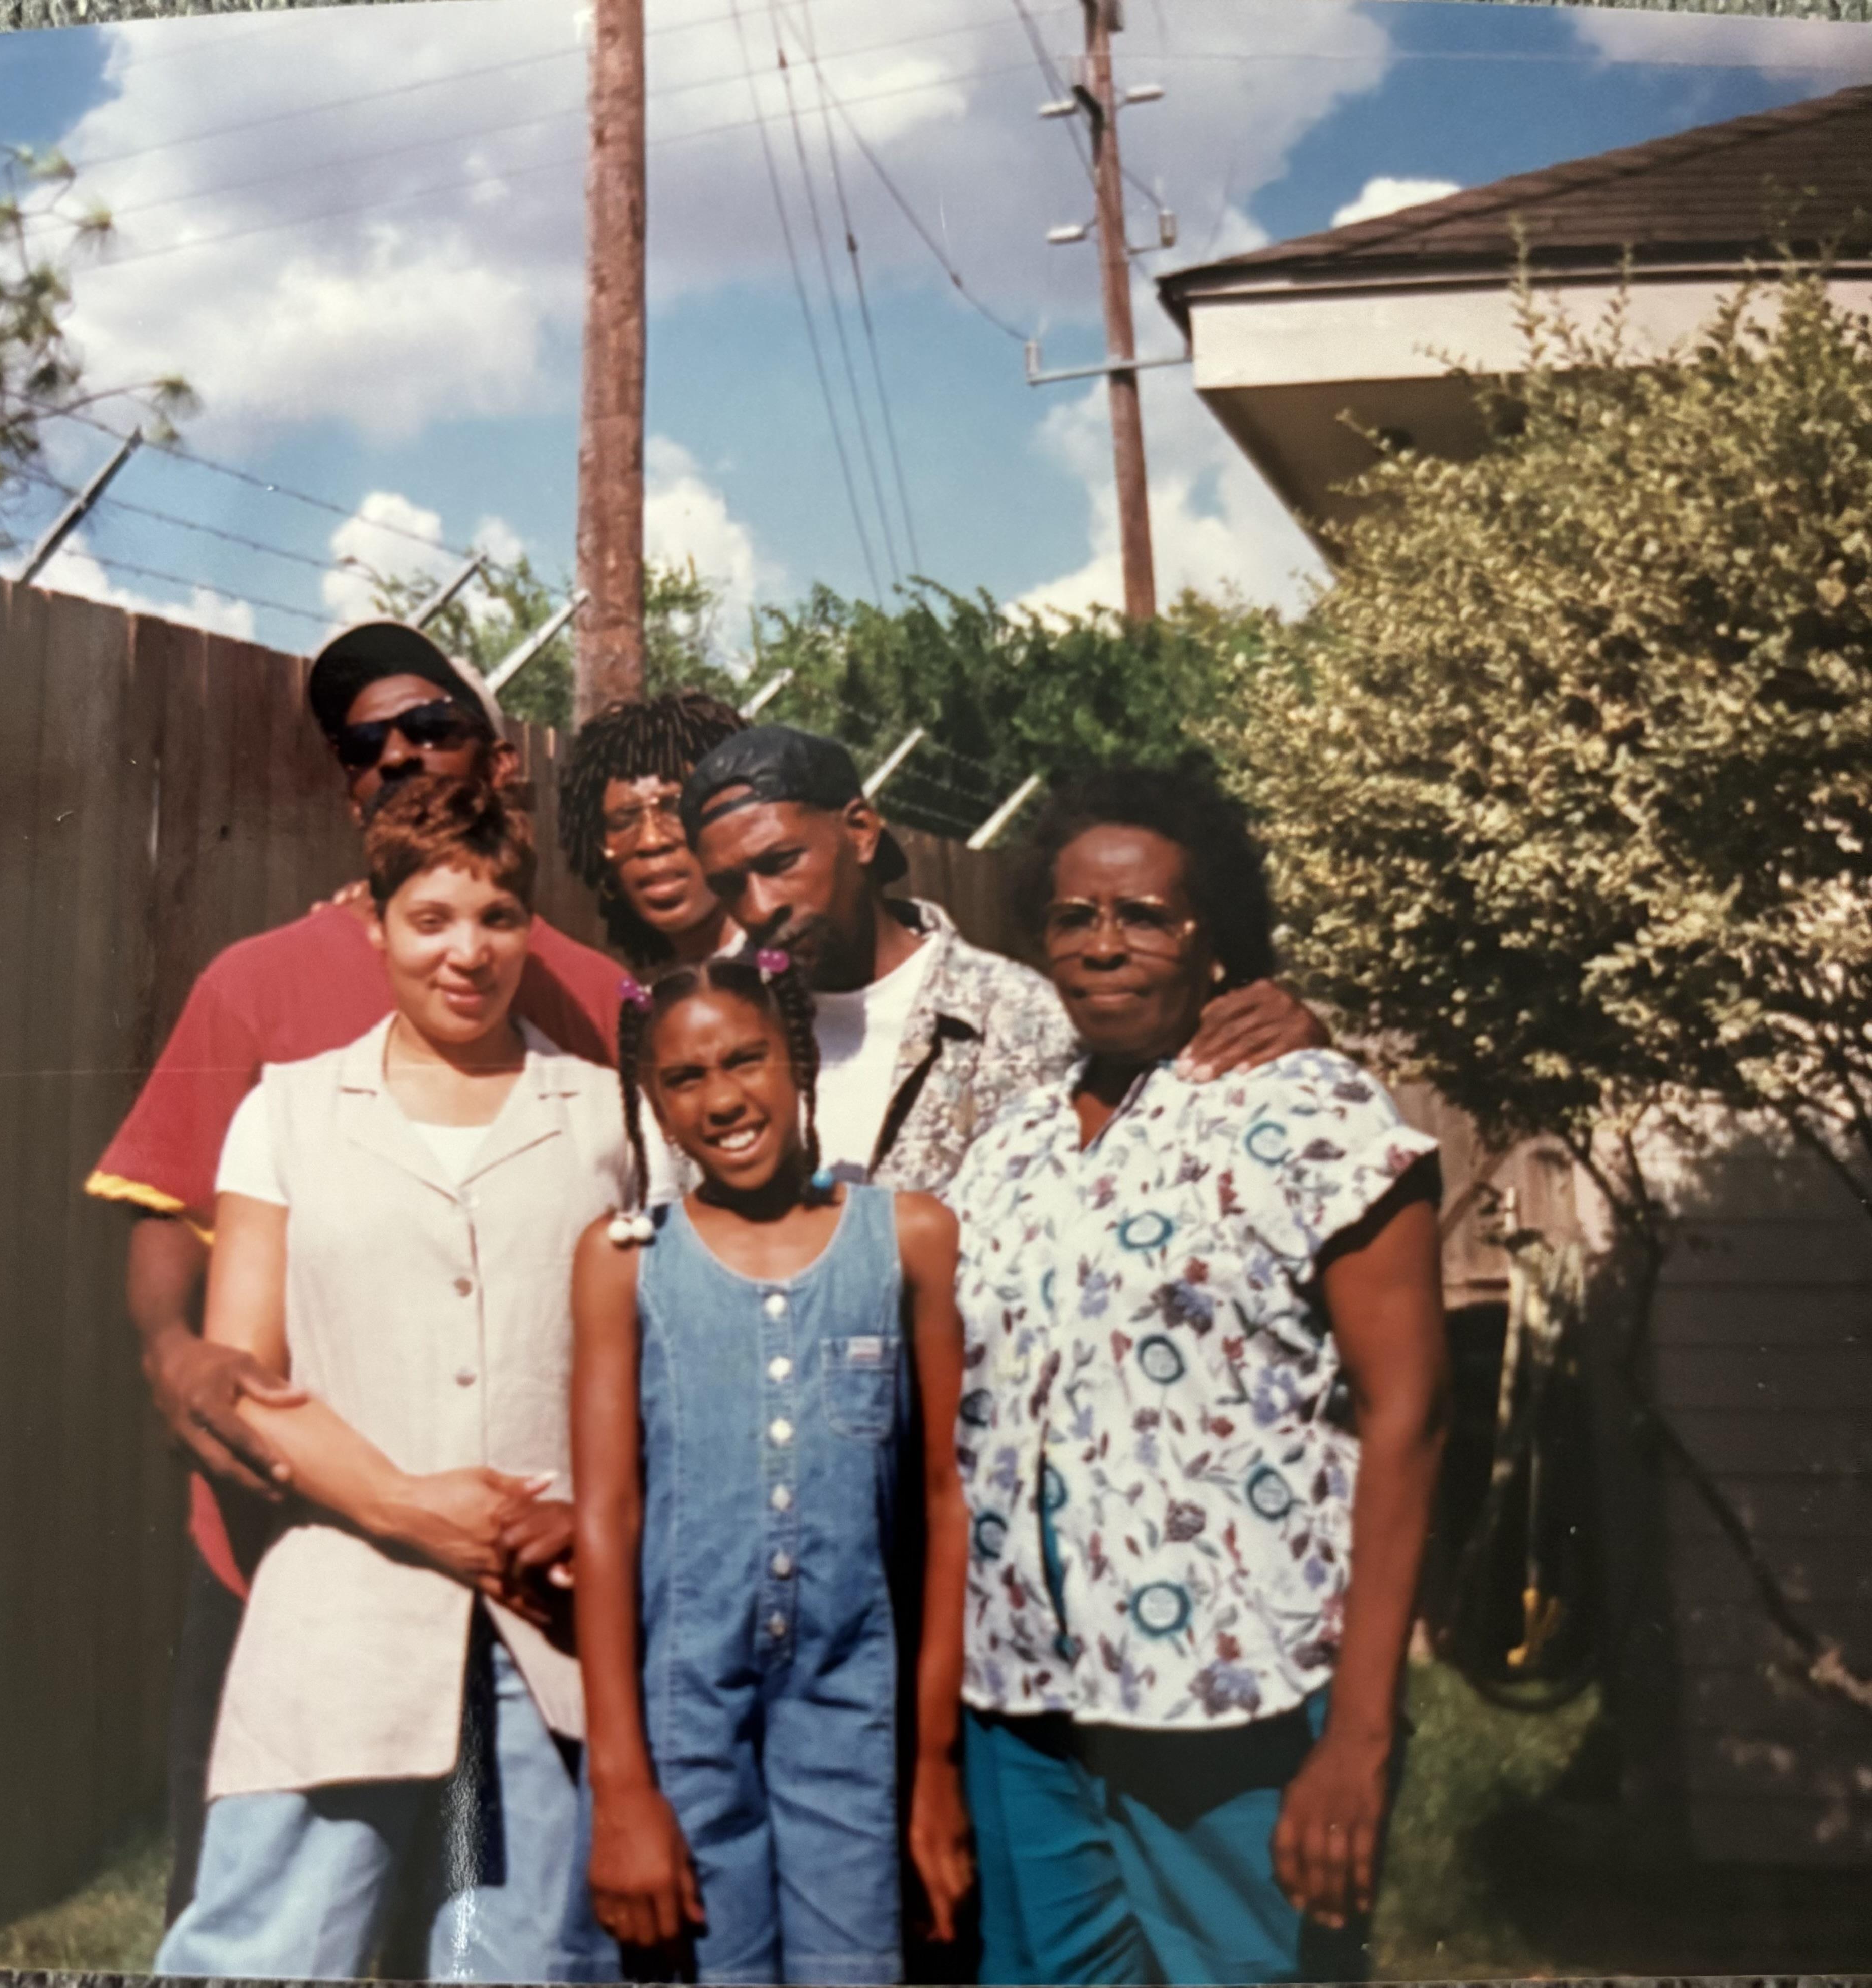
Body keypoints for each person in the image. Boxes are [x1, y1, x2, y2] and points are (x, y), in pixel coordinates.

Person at [85, 620, 628, 1925]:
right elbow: (167, 1202)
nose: (398, 755)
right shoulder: (261, 983)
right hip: (297, 1543)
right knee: (270, 1908)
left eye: (429, 725)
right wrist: (175, 1351)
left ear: (500, 756)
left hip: (525, 1567)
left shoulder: (596, 1006)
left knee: (501, 1922)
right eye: (364, 745)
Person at [946, 761, 1450, 1985]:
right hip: (1022, 1702)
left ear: (1212, 937)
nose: (1103, 943)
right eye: (1073, 916)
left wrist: (1362, 1740)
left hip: (1230, 1698)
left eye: (1144, 913)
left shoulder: (1308, 1107)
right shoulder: (1006, 1145)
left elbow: (1411, 1414)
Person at [562, 955, 974, 1985]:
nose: (724, 1096)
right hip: (681, 1711)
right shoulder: (624, 1259)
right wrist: (620, 1785)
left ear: (797, 1060)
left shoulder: (908, 1237)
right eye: (685, 1076)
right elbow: (606, 1515)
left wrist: (930, 1763)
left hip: (854, 1713)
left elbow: (945, 1502)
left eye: (746, 1059)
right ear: (650, 1099)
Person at [678, 725, 1332, 1198]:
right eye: (731, 884)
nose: (759, 905)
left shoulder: (1028, 1019)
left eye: (780, 862)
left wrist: (1293, 1035)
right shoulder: (707, 1029)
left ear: (860, 831)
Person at [556, 689, 748, 967]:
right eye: (624, 820)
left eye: (674, 809)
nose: (651, 840)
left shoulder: (796, 989)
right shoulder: (647, 1002)